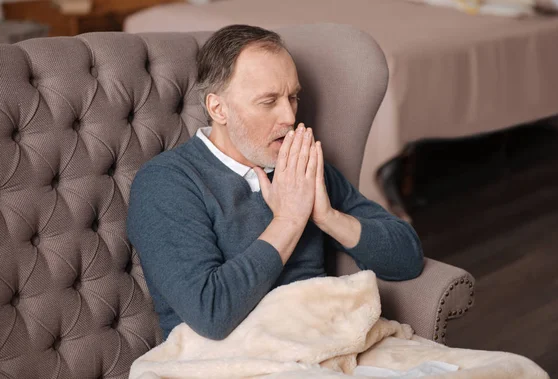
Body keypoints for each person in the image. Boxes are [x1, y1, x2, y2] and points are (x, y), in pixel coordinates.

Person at [127, 24, 423, 341]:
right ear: (218, 108)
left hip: (322, 343)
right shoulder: (167, 183)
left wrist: (328, 217)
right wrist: (289, 221)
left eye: (292, 97)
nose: (289, 117)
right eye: (269, 101)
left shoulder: (300, 165)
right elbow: (211, 313)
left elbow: (407, 259)